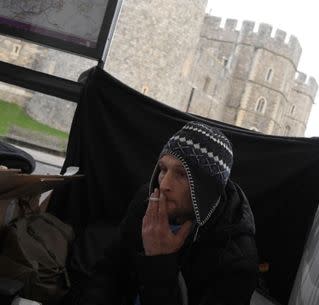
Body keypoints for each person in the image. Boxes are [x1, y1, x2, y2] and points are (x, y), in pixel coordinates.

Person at [80, 121, 258, 305]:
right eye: (163, 169)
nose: (164, 185)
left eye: (182, 175)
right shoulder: (148, 201)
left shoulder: (237, 262)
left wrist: (159, 261)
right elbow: (108, 271)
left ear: (207, 189)